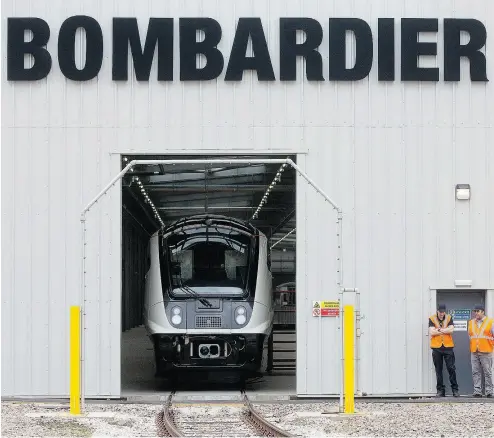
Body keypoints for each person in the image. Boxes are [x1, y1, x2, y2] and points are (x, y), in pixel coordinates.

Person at [429, 304, 459, 397]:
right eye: (440, 312)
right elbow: (431, 332)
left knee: (451, 368)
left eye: (443, 312)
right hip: (436, 348)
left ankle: (455, 390)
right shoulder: (432, 318)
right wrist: (445, 330)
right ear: (437, 311)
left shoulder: (449, 317)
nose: (442, 314)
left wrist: (439, 330)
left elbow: (451, 330)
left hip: (448, 347)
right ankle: (440, 391)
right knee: (438, 370)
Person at [467, 304, 494, 397]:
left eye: (478, 311)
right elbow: (470, 336)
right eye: (475, 311)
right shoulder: (471, 322)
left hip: (486, 351)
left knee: (488, 372)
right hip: (474, 351)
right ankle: (477, 391)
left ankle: (489, 392)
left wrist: (490, 346)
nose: (476, 313)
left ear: (483, 312)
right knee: (475, 372)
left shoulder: (490, 322)